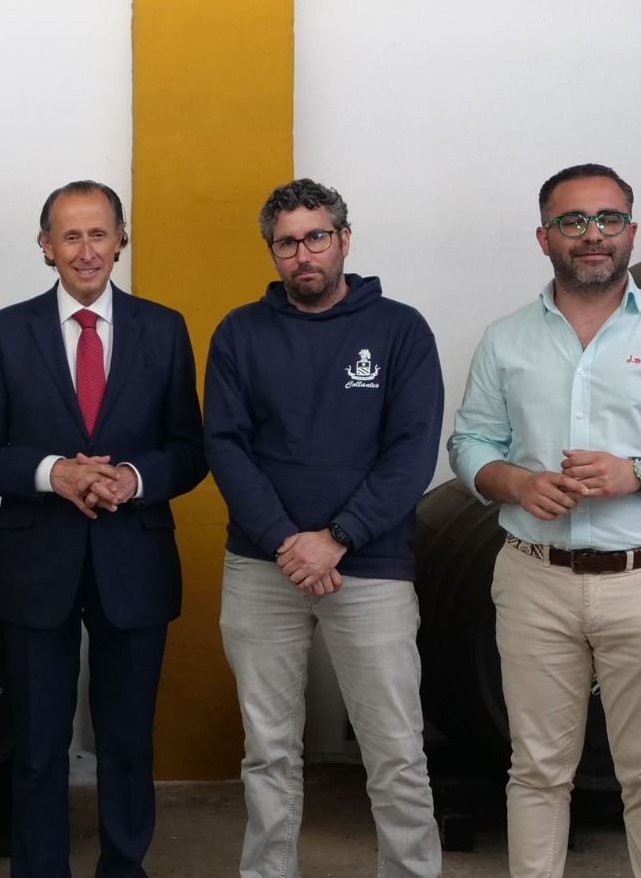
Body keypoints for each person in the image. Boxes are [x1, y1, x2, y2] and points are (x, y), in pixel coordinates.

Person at [448, 163, 641, 878]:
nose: (593, 235)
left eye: (608, 219)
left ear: (631, 232)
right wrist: (516, 482)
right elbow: (469, 446)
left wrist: (639, 473)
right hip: (533, 579)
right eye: (574, 221)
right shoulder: (506, 339)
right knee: (536, 773)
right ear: (544, 236)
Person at [0, 180, 206, 877]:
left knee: (129, 743)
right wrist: (53, 474)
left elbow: (189, 449)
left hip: (136, 565)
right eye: (70, 236)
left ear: (121, 240)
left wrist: (131, 477)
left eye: (99, 234)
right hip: (38, 567)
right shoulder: (7, 330)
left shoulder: (165, 328)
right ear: (46, 247)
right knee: (38, 746)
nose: (86, 249)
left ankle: (124, 867)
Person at [203, 178, 444, 877]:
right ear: (272, 253)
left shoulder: (399, 330)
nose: (303, 254)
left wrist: (337, 537)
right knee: (268, 750)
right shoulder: (240, 334)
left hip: (370, 566)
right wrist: (287, 541)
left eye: (316, 237)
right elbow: (226, 445)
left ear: (343, 239)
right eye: (287, 243)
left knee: (395, 747)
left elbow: (411, 452)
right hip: (263, 566)